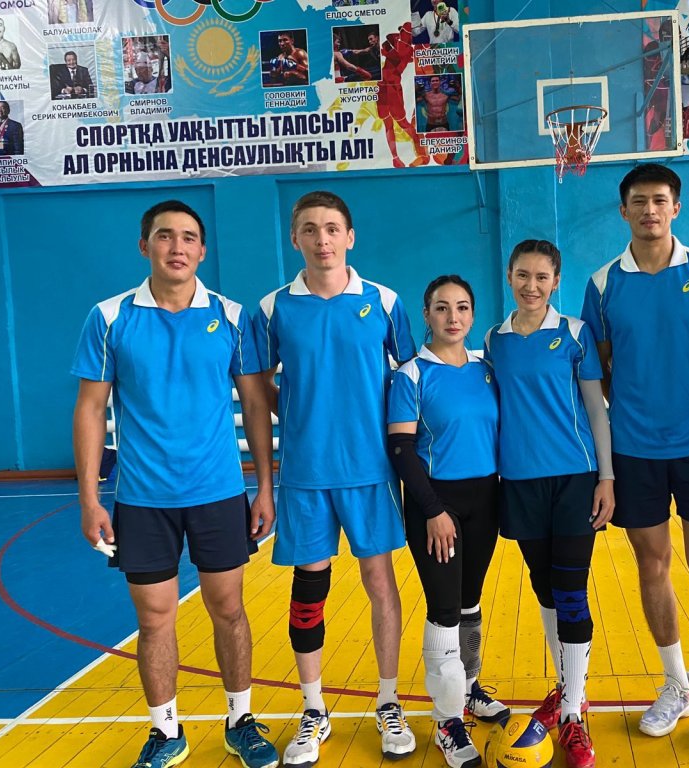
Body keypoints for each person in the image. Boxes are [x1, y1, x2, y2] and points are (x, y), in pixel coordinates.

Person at [71, 200, 279, 768]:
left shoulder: (231, 316)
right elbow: (89, 408)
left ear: (202, 250)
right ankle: (166, 732)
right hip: (142, 500)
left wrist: (265, 487)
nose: (177, 247)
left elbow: (255, 404)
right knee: (154, 618)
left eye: (188, 237)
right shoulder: (110, 317)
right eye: (165, 236)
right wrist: (90, 499)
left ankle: (240, 721)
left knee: (229, 609)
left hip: (218, 494)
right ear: (145, 246)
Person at [580, 164, 689, 768]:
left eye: (660, 200)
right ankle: (677, 685)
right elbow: (602, 368)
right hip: (635, 452)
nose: (650, 209)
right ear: (623, 211)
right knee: (651, 563)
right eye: (639, 201)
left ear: (675, 208)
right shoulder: (603, 284)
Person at [254, 191, 418, 767]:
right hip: (306, 474)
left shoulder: (384, 301)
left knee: (380, 581)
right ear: (294, 238)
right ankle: (313, 709)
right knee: (310, 588)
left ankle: (389, 702)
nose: (321, 239)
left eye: (331, 228)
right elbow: (257, 384)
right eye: (309, 229)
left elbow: (410, 375)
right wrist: (296, 414)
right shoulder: (273, 308)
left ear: (349, 237)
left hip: (371, 471)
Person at [485, 240, 615, 768]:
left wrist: (607, 477)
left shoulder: (575, 333)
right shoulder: (493, 340)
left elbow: (596, 408)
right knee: (544, 588)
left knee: (571, 592)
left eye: (542, 277)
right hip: (520, 481)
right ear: (509, 276)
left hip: (574, 479)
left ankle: (573, 714)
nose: (531, 285)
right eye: (523, 275)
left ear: (556, 281)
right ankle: (567, 687)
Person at [387, 275, 509, 768]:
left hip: (485, 499)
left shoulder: (486, 369)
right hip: (436, 504)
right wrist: (434, 510)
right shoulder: (412, 375)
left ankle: (469, 687)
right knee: (443, 608)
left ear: (472, 315)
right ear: (427, 314)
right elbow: (401, 448)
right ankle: (446, 721)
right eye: (441, 308)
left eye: (461, 307)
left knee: (470, 601)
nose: (452, 317)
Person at [376, 24, 429, 167]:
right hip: (382, 86)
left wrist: (387, 50)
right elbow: (387, 40)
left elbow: (394, 53)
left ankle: (422, 152)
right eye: (401, 31)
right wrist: (391, 44)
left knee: (402, 123)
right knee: (387, 123)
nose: (400, 34)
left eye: (404, 32)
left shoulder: (408, 50)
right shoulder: (397, 41)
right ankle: (395, 158)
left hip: (394, 88)